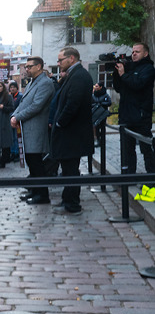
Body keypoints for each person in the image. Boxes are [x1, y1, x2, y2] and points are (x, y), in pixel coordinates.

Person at [51, 47, 94, 215]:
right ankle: (67, 200)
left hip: (72, 133)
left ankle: (72, 204)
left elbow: (72, 104)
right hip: (70, 133)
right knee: (68, 169)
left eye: (61, 60)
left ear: (72, 58)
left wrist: (61, 122)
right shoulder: (73, 75)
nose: (58, 63)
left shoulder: (79, 76)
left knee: (71, 170)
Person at [10, 57, 55, 204]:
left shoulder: (45, 83)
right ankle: (35, 191)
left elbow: (37, 106)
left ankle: (42, 195)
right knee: (32, 162)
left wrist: (18, 117)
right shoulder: (32, 82)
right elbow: (23, 103)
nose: (27, 69)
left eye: (29, 66)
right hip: (27, 128)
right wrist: (14, 115)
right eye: (26, 66)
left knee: (36, 163)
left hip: (36, 128)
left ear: (39, 66)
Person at [113, 42, 155, 173]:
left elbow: (138, 84)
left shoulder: (148, 68)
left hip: (141, 115)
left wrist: (123, 75)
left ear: (145, 54)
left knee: (146, 148)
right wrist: (117, 73)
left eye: (137, 51)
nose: (134, 54)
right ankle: (128, 176)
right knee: (127, 150)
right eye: (133, 52)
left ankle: (151, 176)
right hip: (126, 114)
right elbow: (119, 88)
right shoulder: (129, 67)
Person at [91, 82, 111, 147]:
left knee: (102, 126)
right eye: (95, 86)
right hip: (96, 113)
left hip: (103, 113)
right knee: (96, 127)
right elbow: (91, 103)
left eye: (97, 86)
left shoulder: (105, 95)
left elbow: (109, 102)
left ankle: (102, 140)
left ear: (100, 87)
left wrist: (101, 103)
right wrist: (96, 105)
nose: (95, 87)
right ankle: (98, 140)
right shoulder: (93, 95)